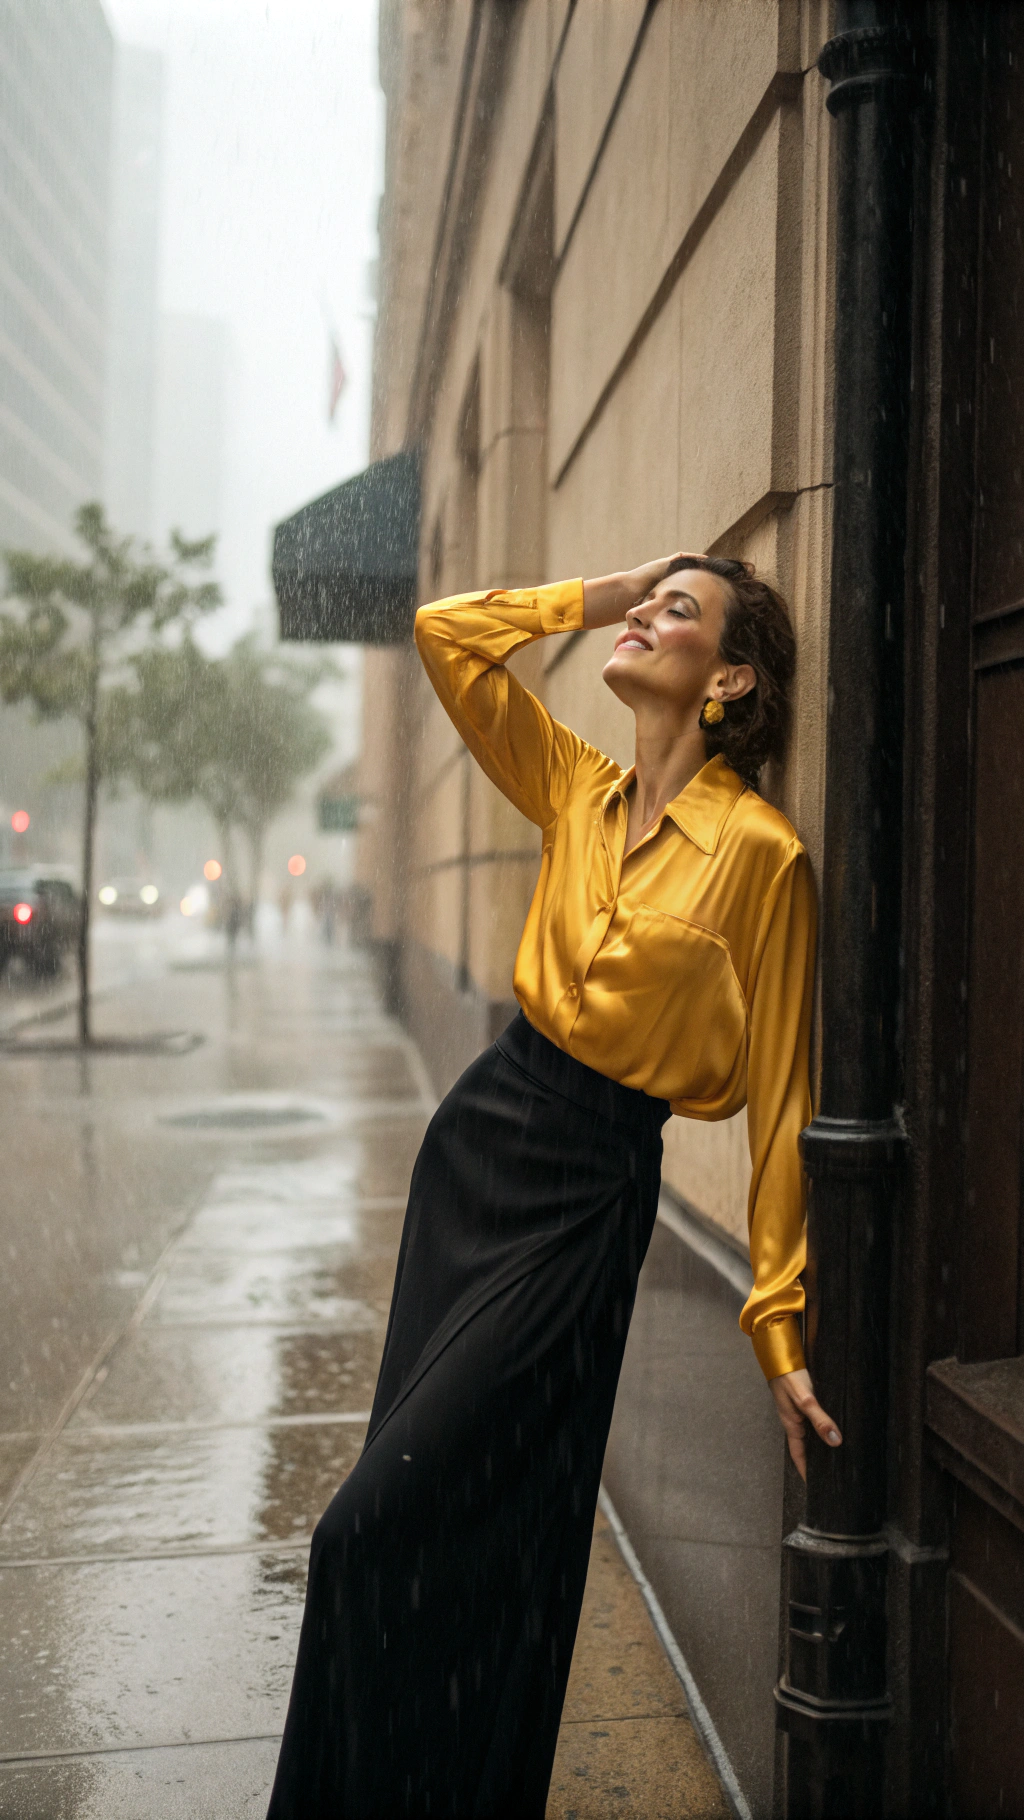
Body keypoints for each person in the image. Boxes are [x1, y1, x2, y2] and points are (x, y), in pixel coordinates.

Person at [266, 553, 841, 1820]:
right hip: (478, 1145)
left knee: (382, 1528)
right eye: (651, 602)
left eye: (677, 612)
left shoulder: (761, 854)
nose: (644, 617)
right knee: (424, 1528)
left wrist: (778, 1316)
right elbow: (441, 634)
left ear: (731, 676)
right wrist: (607, 588)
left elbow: (787, 1101)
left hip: (589, 1190)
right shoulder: (577, 785)